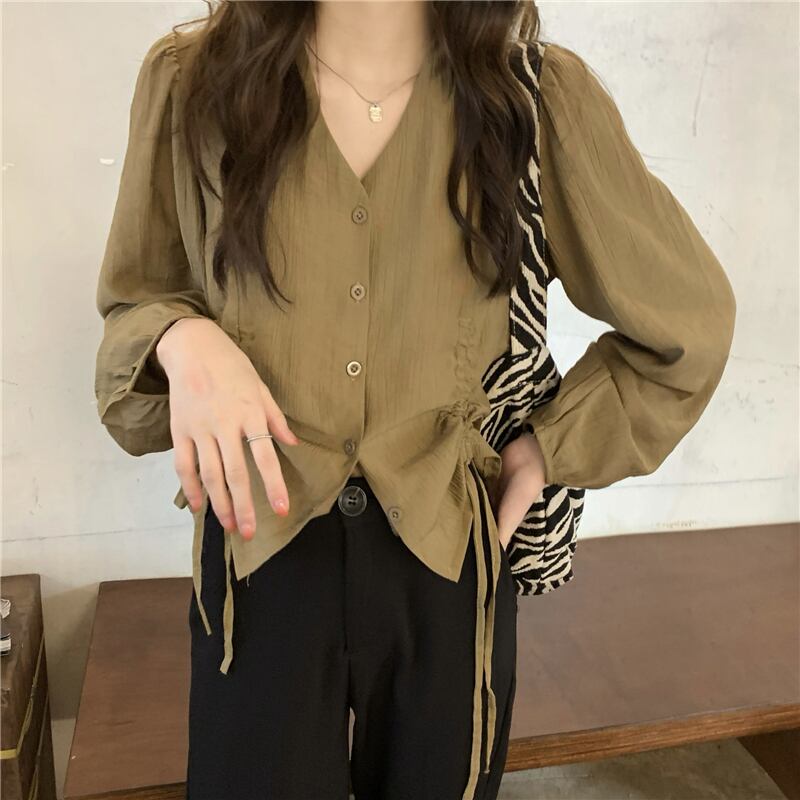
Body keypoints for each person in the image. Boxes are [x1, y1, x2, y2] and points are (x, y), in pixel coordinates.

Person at [93, 2, 736, 798]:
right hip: (257, 559)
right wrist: (181, 337)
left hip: (450, 562)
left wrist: (549, 448)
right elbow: (134, 308)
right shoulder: (192, 84)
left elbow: (689, 326)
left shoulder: (532, 100)